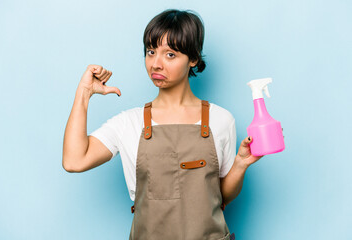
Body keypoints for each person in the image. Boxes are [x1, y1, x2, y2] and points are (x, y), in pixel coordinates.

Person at [62, 9, 264, 240]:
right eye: (151, 51)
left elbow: (222, 196)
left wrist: (240, 164)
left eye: (170, 54)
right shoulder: (129, 123)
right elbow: (73, 161)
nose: (156, 63)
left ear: (193, 59)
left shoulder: (221, 120)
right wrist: (84, 94)